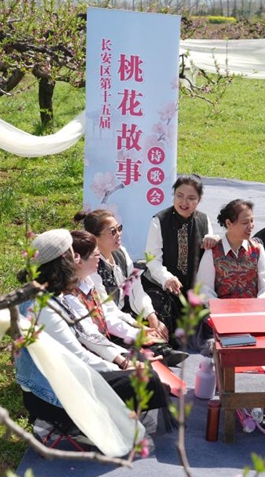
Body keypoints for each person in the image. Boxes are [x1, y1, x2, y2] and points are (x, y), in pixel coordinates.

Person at [14, 229, 173, 440]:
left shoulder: (50, 295)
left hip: (61, 380)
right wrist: (120, 367)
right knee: (146, 379)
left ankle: (112, 420)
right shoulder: (43, 308)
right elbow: (77, 357)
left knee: (140, 362)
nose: (78, 259)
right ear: (62, 263)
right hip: (50, 396)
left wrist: (125, 361)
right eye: (74, 255)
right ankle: (86, 425)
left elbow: (87, 334)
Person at [75, 209, 188, 367]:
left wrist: (151, 316)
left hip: (126, 308)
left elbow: (136, 288)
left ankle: (161, 345)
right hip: (112, 315)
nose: (118, 234)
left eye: (119, 229)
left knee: (159, 299)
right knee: (122, 334)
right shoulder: (92, 266)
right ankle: (158, 350)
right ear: (95, 237)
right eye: (112, 232)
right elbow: (106, 310)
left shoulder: (121, 252)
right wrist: (138, 326)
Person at [143, 174, 219, 339]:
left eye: (191, 198)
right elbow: (152, 259)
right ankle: (163, 349)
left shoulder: (203, 220)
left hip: (192, 288)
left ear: (199, 199)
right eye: (180, 196)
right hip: (162, 286)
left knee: (208, 325)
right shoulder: (159, 220)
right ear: (174, 195)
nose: (184, 202)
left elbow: (210, 253)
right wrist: (167, 278)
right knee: (162, 314)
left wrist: (215, 239)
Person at [196, 199, 265, 300]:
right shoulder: (212, 251)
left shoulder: (257, 249)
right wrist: (218, 307)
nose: (251, 226)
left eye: (252, 221)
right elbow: (204, 288)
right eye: (245, 222)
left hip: (252, 311)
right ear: (229, 223)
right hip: (221, 312)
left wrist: (258, 305)